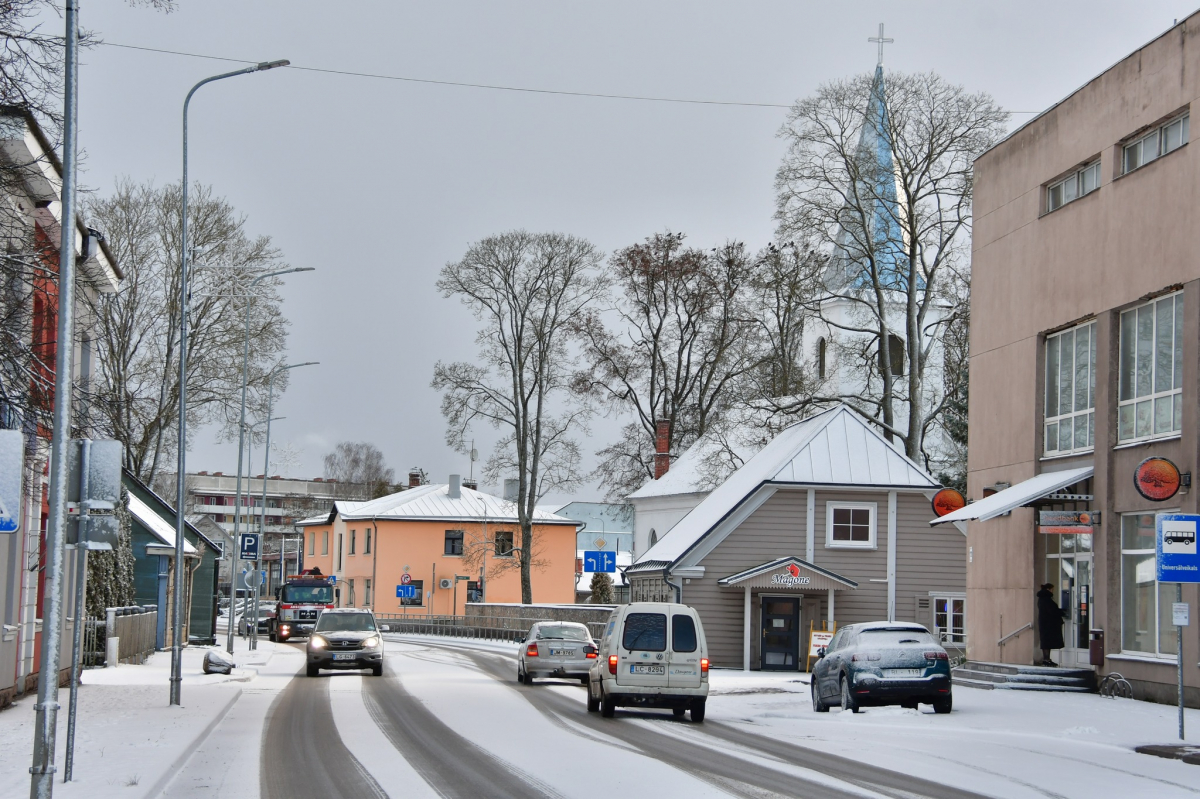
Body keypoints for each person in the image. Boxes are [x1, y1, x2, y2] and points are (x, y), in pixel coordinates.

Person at [1036, 583, 1065, 666]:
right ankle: (1046, 659)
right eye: (1052, 589)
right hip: (1048, 624)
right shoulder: (1046, 599)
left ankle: (1047, 659)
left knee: (1046, 642)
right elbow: (1052, 611)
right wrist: (1061, 612)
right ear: (1048, 589)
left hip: (1045, 623)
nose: (1053, 591)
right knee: (1047, 642)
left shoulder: (1042, 599)